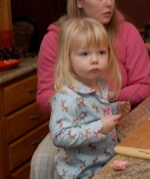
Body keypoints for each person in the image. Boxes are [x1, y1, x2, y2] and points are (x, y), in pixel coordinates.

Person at [30, 0, 150, 179]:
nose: (109, 3)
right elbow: (44, 96)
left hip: (120, 120)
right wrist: (80, 104)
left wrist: (110, 99)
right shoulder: (54, 39)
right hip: (72, 125)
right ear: (79, 1)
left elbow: (146, 85)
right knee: (41, 164)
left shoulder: (127, 32)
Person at [49, 17, 130, 178]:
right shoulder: (67, 97)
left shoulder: (98, 84)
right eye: (85, 53)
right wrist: (98, 127)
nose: (94, 60)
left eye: (101, 52)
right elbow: (59, 136)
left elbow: (91, 111)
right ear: (68, 58)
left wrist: (114, 108)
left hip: (105, 164)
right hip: (82, 172)